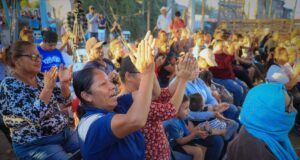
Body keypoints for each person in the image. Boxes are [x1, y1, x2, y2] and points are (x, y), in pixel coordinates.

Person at [74, 31, 155, 159]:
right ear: (87, 96)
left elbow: (153, 93)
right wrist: (147, 72)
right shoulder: (91, 125)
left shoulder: (116, 104)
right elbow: (136, 120)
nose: (112, 86)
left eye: (109, 81)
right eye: (103, 84)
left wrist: (149, 62)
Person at [0, 41, 78, 159]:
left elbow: (64, 100)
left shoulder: (41, 77)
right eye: (33, 56)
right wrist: (47, 89)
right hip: (35, 143)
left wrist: (64, 84)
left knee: (92, 149)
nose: (38, 59)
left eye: (39, 56)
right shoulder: (9, 85)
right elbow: (33, 117)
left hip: (63, 133)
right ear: (16, 59)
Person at [119, 53, 197, 160]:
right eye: (143, 72)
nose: (149, 77)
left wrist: (180, 76)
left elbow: (163, 95)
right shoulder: (127, 101)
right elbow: (169, 110)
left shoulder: (138, 94)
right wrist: (183, 80)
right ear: (128, 76)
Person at [226, 83, 298, 160]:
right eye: (288, 107)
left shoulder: (252, 126)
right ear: (268, 116)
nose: (294, 111)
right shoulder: (257, 153)